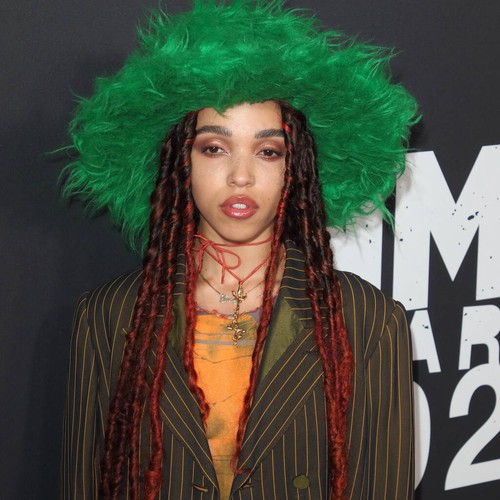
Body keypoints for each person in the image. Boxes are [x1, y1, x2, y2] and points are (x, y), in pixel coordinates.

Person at [61, 2, 418, 499]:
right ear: (178, 162)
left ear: (298, 169)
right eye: (214, 147)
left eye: (268, 151)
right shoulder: (107, 316)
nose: (241, 176)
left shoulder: (368, 321)